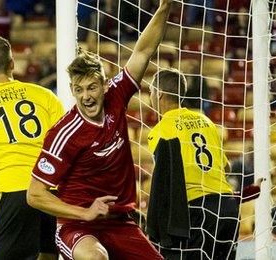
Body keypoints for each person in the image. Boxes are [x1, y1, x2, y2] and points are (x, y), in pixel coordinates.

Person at [26, 1, 172, 259]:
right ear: (72, 91)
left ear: (105, 86)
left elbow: (143, 50)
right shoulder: (65, 133)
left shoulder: (117, 96)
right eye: (79, 90)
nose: (86, 97)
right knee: (96, 258)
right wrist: (85, 212)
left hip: (119, 222)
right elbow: (34, 195)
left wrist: (164, 6)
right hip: (76, 226)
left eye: (92, 88)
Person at [0, 36, 63, 260]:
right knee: (47, 256)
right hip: (50, 190)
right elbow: (65, 148)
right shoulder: (45, 96)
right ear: (12, 64)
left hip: (12, 193)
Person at [146, 68, 260, 259]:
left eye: (150, 92)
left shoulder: (160, 130)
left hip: (197, 212)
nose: (149, 97)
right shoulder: (205, 121)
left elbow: (166, 178)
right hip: (227, 209)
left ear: (159, 94)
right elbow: (226, 167)